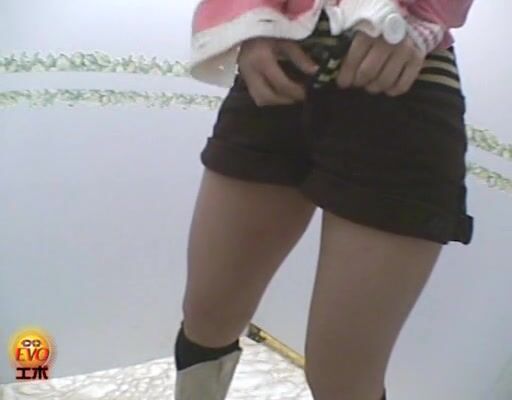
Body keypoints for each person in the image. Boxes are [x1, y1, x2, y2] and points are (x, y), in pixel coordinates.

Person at [174, 1, 475, 399]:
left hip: (402, 76)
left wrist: (423, 16)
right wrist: (249, 19)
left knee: (341, 378)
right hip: (281, 59)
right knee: (207, 316)